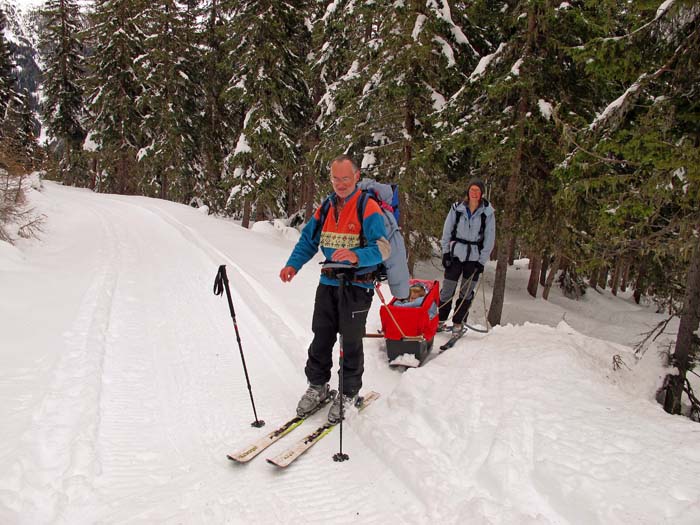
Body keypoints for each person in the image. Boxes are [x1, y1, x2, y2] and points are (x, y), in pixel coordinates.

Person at [279, 154, 390, 424]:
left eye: (345, 178)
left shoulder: (368, 206)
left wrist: (356, 257)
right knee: (321, 337)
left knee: (350, 342)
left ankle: (349, 393)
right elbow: (308, 240)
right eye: (335, 178)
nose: (340, 184)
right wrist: (293, 265)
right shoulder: (326, 207)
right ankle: (317, 386)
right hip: (328, 283)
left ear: (356, 177)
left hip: (357, 287)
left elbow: (383, 248)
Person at [438, 179, 496, 334]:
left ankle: (458, 322)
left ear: (482, 193)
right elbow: (447, 231)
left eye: (478, 190)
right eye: (472, 190)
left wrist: (481, 261)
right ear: (468, 192)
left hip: (474, 258)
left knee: (466, 292)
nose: (475, 193)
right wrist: (445, 252)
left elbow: (489, 239)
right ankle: (440, 320)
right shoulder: (457, 209)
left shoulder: (487, 213)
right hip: (455, 254)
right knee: (448, 289)